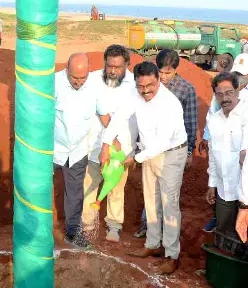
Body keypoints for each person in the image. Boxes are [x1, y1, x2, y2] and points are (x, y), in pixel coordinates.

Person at [100, 61, 188, 275]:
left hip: (171, 154)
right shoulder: (134, 93)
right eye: (141, 86)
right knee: (150, 200)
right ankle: (152, 244)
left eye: (150, 85)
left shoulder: (170, 103)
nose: (145, 91)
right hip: (148, 153)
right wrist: (105, 145)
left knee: (169, 204)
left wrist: (135, 159)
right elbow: (119, 117)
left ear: (158, 79)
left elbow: (163, 142)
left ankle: (171, 255)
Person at [134, 49, 199, 238]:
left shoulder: (186, 90)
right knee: (151, 194)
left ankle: (167, 237)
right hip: (150, 150)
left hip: (171, 151)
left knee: (167, 196)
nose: (163, 76)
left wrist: (189, 153)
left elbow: (190, 123)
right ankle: (149, 229)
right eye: (160, 72)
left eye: (167, 73)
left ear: (176, 70)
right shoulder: (148, 85)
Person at [54, 53, 111, 248]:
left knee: (75, 193)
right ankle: (36, 230)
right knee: (41, 186)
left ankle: (72, 233)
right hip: (52, 148)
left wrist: (111, 141)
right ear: (66, 69)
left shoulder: (95, 86)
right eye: (74, 78)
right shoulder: (53, 83)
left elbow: (105, 117)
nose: (78, 82)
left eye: (82, 78)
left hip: (78, 149)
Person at [82, 45, 138, 243]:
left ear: (127, 65)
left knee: (115, 188)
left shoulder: (134, 84)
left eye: (118, 67)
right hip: (94, 145)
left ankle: (114, 226)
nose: (113, 71)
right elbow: (99, 111)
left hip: (122, 149)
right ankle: (87, 225)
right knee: (90, 185)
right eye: (109, 66)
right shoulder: (93, 80)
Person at [199, 53, 248, 232]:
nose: (225, 98)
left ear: (237, 91)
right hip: (224, 192)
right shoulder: (214, 120)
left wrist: (245, 201)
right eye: (220, 95)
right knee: (225, 235)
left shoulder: (245, 116)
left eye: (229, 93)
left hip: (244, 194)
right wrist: (212, 183)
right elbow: (213, 155)